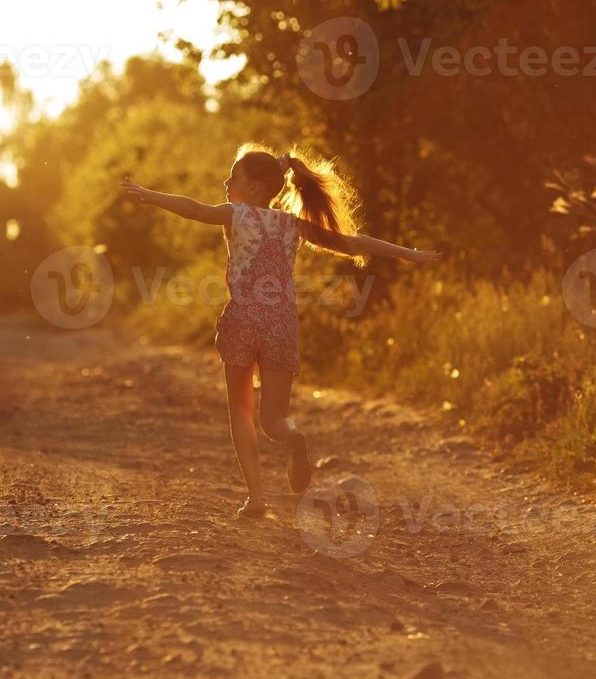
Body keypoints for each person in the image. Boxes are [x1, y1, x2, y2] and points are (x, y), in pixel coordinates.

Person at [121, 144, 442, 518]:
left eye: (234, 177)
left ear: (254, 189)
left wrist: (150, 196)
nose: (226, 183)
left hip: (242, 321)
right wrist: (406, 252)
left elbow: (193, 208)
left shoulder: (235, 214)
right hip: (281, 325)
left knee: (241, 413)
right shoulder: (293, 225)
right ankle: (292, 436)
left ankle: (257, 498)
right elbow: (353, 243)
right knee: (273, 419)